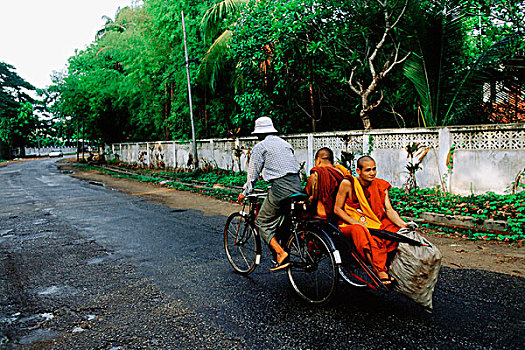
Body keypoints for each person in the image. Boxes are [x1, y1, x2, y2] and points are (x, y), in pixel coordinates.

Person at [237, 116, 302, 271]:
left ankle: (280, 253)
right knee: (284, 218)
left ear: (259, 133)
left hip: (281, 187)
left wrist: (245, 192)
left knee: (261, 222)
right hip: (297, 184)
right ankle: (283, 248)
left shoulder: (260, 147)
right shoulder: (285, 144)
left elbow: (252, 174)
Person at [334, 155, 407, 286]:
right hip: (350, 224)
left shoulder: (380, 185)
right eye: (368, 170)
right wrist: (355, 223)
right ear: (358, 171)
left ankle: (391, 265)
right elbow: (337, 209)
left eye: (374, 169)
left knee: (394, 230)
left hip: (374, 222)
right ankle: (378, 269)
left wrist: (403, 225)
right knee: (360, 231)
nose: (372, 173)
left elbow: (389, 210)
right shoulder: (348, 184)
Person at [305, 147, 349, 220]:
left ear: (318, 160)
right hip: (339, 215)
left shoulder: (316, 175)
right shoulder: (341, 173)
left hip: (321, 215)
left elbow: (307, 193)